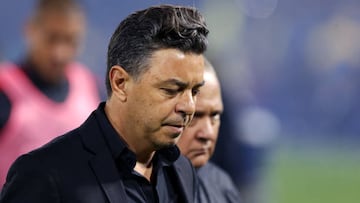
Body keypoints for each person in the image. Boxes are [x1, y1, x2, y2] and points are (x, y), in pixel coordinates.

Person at [0, 4, 209, 203]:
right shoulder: (43, 174)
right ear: (119, 83)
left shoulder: (182, 171)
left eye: (195, 91)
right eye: (170, 90)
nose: (189, 107)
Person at [0, 0, 100, 187]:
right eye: (52, 38)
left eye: (69, 40)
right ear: (29, 30)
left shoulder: (90, 87)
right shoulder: (5, 90)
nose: (59, 53)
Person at [177, 58, 242, 203]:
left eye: (215, 116)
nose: (207, 133)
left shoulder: (221, 186)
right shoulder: (128, 187)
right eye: (194, 116)